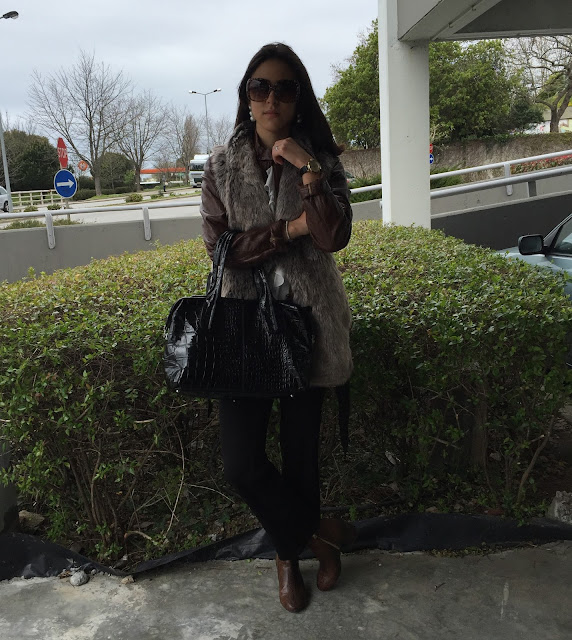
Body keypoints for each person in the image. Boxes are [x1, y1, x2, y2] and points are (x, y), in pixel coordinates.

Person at [200, 42, 355, 613]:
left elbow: (334, 235)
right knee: (242, 464)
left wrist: (309, 171)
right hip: (245, 328)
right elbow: (223, 249)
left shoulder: (321, 160)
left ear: (298, 99)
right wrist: (288, 230)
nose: (271, 98)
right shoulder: (220, 166)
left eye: (284, 88)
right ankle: (316, 536)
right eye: (260, 87)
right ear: (246, 98)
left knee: (300, 458)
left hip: (309, 327)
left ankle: (287, 559)